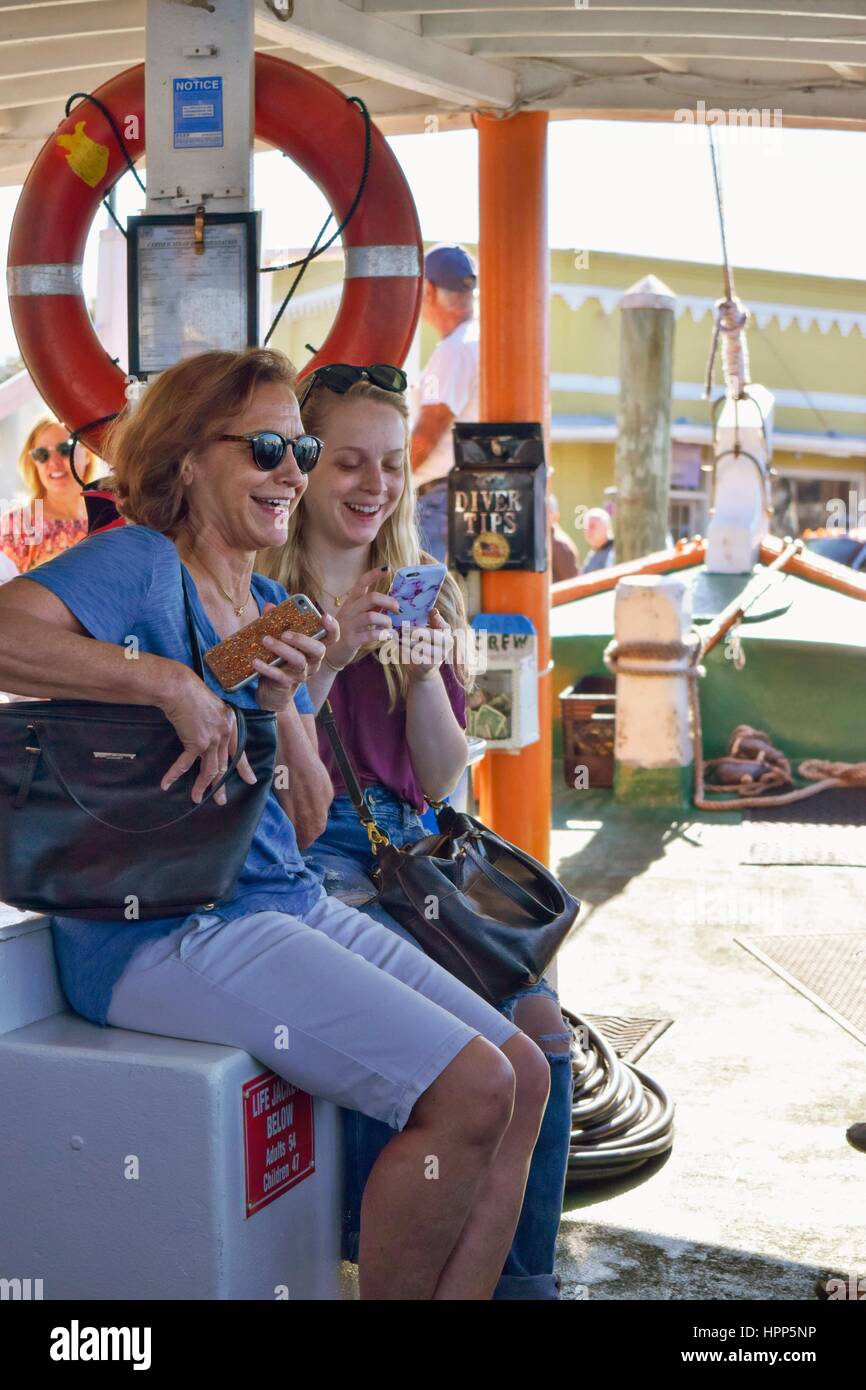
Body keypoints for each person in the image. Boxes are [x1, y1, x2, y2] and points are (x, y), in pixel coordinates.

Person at [0, 347, 550, 1302]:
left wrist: (294, 708)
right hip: (169, 926)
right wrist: (166, 681)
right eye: (265, 448)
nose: (291, 473)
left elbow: (302, 821)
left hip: (272, 900)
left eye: (298, 451)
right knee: (470, 1091)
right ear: (184, 459)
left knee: (520, 1071)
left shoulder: (263, 606)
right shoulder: (140, 560)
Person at [259, 362, 574, 1300]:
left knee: (547, 1040)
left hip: (412, 848)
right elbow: (270, 786)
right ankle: (382, 1243)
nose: (375, 486)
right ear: (305, 467)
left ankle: (522, 1284)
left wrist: (436, 660)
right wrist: (336, 647)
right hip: (316, 859)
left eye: (392, 465)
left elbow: (442, 776)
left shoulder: (425, 584)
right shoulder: (255, 591)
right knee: (468, 1054)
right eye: (350, 462)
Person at [411, 244, 479, 563]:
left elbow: (428, 433)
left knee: (424, 600)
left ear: (429, 291)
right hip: (463, 495)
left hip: (440, 500)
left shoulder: (455, 350)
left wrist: (392, 484)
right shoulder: (477, 342)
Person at [0, 416, 100, 574]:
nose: (53, 462)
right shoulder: (15, 527)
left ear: (87, 453)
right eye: (41, 454)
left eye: (65, 449)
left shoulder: (112, 511)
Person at [549, 493, 580, 583]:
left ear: (555, 515)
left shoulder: (559, 543)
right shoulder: (550, 540)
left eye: (546, 512)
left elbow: (570, 584)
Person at [580, 506, 615, 573]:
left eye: (592, 526)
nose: (588, 531)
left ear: (606, 527)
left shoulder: (613, 554)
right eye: (586, 527)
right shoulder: (592, 553)